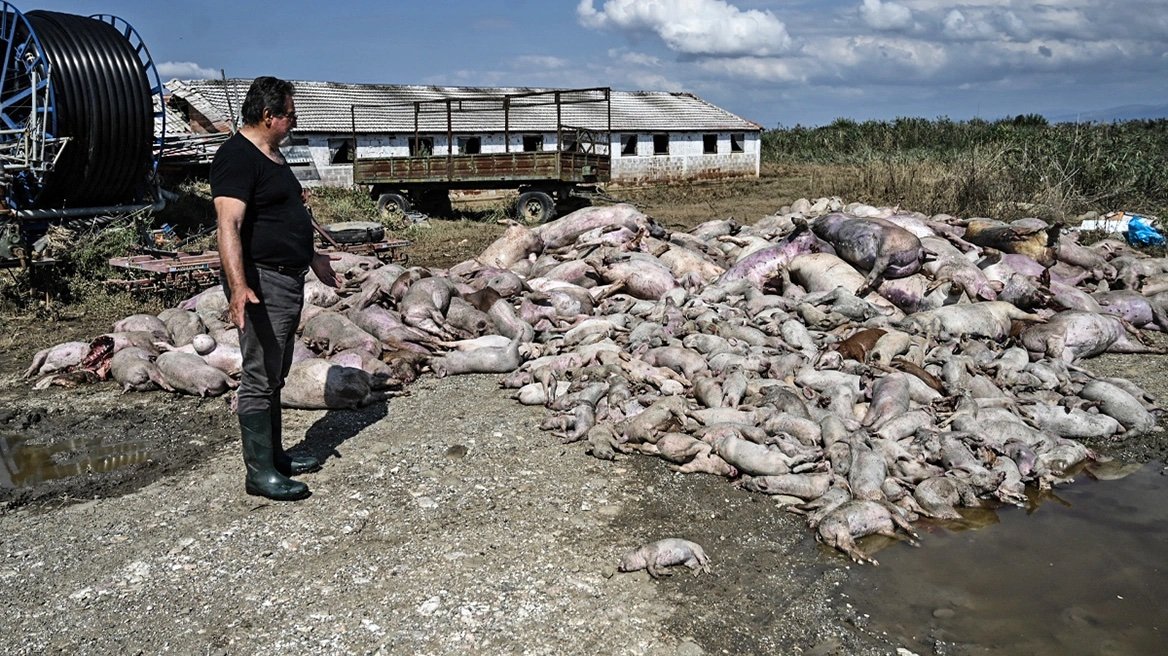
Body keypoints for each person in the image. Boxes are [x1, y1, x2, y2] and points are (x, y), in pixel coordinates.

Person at [212, 76, 339, 501]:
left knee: (276, 372)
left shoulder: (272, 154)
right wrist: (238, 287)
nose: (295, 121)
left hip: (288, 276)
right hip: (262, 281)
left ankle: (277, 456)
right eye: (291, 114)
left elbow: (288, 215)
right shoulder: (236, 158)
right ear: (269, 116)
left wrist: (313, 256)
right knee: (259, 374)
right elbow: (228, 225)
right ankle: (260, 472)